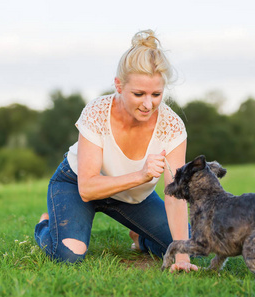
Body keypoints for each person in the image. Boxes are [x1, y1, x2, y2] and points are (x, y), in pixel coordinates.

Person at [34, 29, 198, 272]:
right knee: (69, 255)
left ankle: (140, 237)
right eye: (138, 94)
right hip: (76, 185)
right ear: (119, 85)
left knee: (190, 249)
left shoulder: (172, 127)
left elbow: (174, 196)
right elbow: (88, 187)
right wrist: (141, 175)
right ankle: (46, 226)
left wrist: (183, 259)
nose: (148, 104)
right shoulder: (97, 111)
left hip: (133, 197)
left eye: (156, 94)